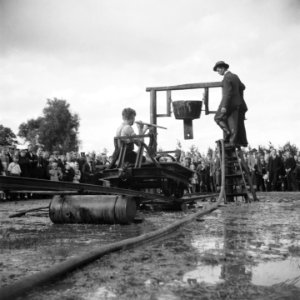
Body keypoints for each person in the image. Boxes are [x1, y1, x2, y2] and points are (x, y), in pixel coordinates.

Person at [213, 61, 248, 146]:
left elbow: (227, 93)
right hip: (238, 104)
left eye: (218, 70)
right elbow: (243, 87)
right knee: (234, 122)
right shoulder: (235, 76)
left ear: (223, 68)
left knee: (217, 118)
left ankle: (228, 133)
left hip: (229, 104)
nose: (218, 72)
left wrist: (224, 106)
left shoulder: (226, 78)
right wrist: (238, 95)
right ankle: (235, 139)